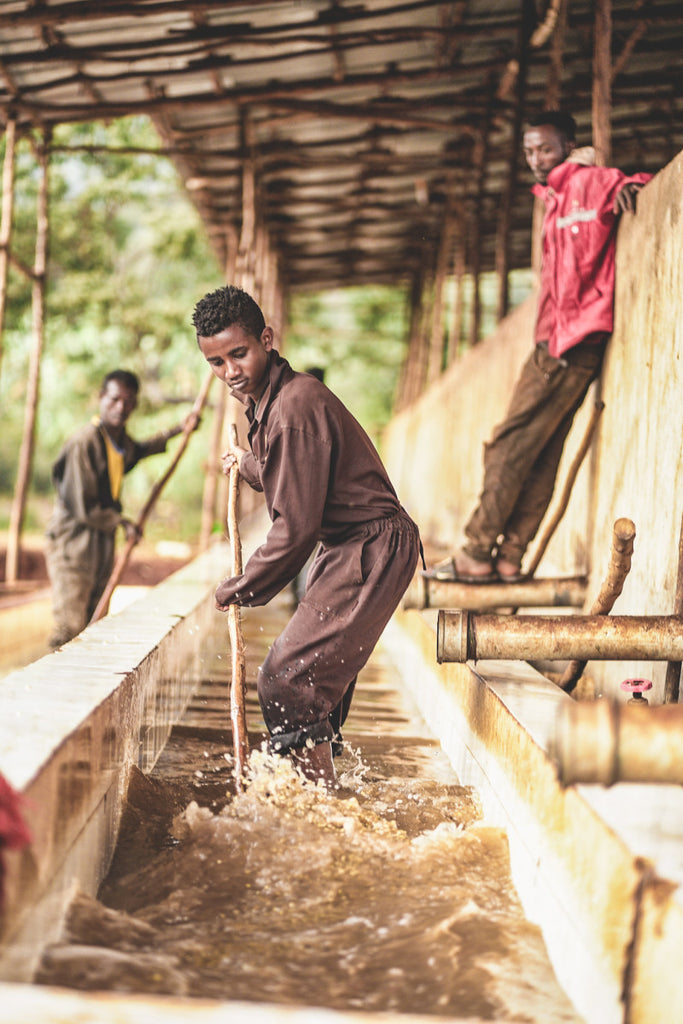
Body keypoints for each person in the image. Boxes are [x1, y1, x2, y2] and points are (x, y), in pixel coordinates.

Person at [192, 285, 421, 785]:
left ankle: (316, 807)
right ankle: (325, 791)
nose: (230, 371)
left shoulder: (294, 408)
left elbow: (296, 529)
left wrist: (240, 586)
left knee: (287, 679)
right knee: (311, 683)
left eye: (239, 353)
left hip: (371, 548)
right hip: (351, 548)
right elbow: (281, 468)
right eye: (216, 362)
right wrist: (246, 463)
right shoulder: (271, 404)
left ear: (266, 340)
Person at [430, 110, 652, 583]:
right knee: (543, 451)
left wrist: (630, 188)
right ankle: (510, 557)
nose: (535, 159)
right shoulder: (552, 198)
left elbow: (631, 184)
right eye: (529, 151)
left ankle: (474, 550)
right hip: (564, 339)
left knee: (507, 446)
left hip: (568, 343)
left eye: (545, 149)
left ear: (568, 145)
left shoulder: (590, 182)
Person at [45, 369, 199, 647]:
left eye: (128, 402)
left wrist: (178, 429)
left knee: (95, 620)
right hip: (73, 545)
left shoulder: (116, 440)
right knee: (69, 626)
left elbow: (137, 451)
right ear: (101, 398)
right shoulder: (85, 443)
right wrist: (122, 522)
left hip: (101, 544)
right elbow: (83, 506)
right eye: (114, 400)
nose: (121, 408)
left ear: (135, 404)